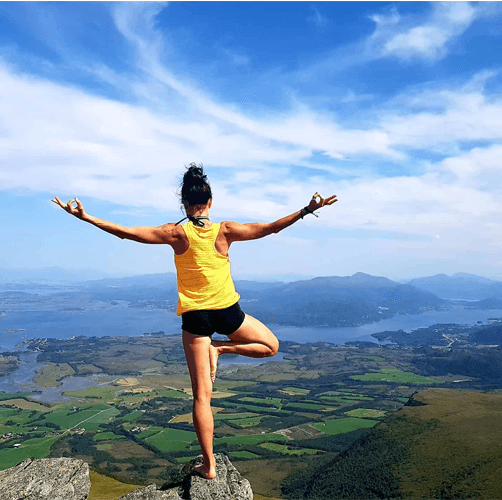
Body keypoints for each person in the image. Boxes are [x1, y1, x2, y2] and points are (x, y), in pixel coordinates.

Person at [53, 163, 337, 479]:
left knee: (202, 397)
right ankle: (221, 349)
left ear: (185, 205)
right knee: (271, 346)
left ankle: (210, 465)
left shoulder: (176, 233)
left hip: (196, 319)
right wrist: (306, 210)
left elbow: (126, 233)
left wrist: (85, 217)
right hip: (228, 311)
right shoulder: (225, 230)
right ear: (210, 202)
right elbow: (270, 228)